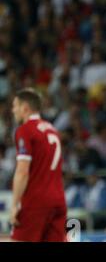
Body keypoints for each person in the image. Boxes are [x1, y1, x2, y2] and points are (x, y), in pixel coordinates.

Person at [10, 88, 67, 242]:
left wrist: (14, 204)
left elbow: (22, 171)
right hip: (58, 200)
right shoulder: (52, 130)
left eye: (15, 106)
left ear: (25, 108)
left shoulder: (25, 130)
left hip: (36, 201)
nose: (13, 110)